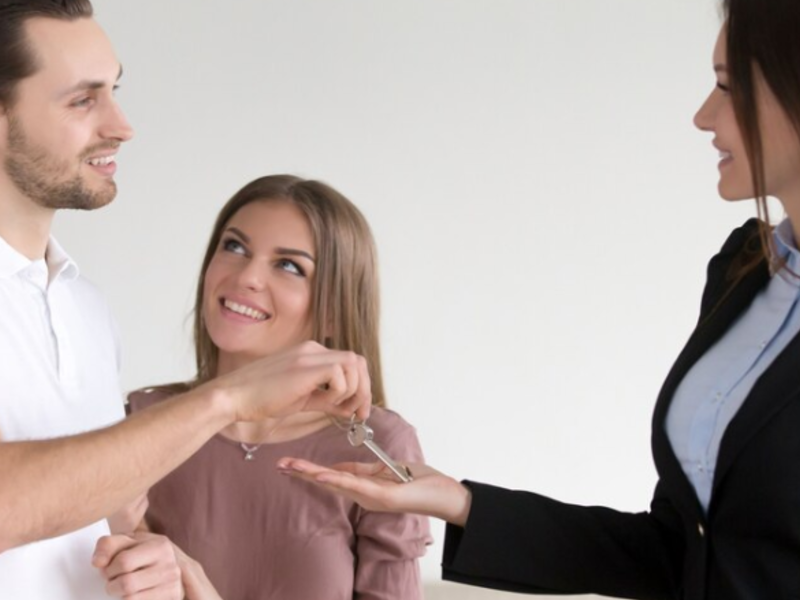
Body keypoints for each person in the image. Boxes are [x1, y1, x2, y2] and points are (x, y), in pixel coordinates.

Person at [278, 0, 800, 598]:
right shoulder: (745, 270)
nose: (703, 116)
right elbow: (678, 552)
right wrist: (461, 502)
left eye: (727, 87)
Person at [0, 3, 371, 599]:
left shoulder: (86, 310)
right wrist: (227, 399)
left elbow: (83, 524)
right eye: (83, 100)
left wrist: (151, 557)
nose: (122, 126)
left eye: (114, 91)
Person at [126, 174, 431, 600]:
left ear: (333, 309)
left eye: (289, 266)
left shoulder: (379, 448)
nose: (247, 276)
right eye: (234, 247)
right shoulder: (140, 421)